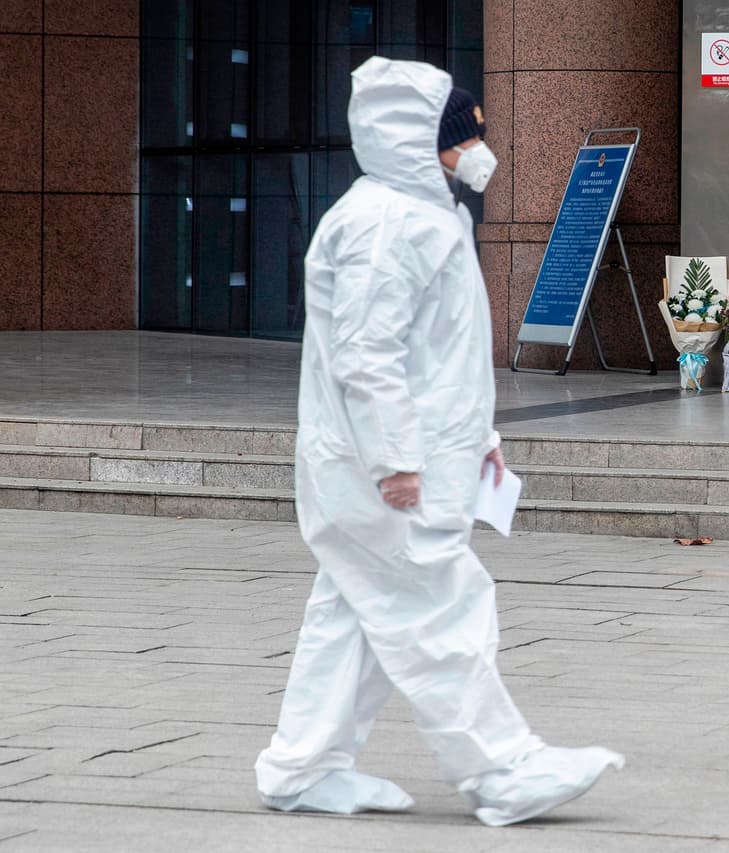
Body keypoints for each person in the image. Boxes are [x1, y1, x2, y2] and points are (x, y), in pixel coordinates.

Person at [253, 57, 623, 826]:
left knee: (356, 611)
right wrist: (394, 461)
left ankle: (303, 764)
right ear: (422, 142)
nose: (479, 148)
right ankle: (502, 768)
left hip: (410, 460)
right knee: (441, 608)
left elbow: (437, 352)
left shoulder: (420, 215)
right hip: (383, 472)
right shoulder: (387, 225)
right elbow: (367, 354)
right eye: (465, 136)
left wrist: (477, 436)